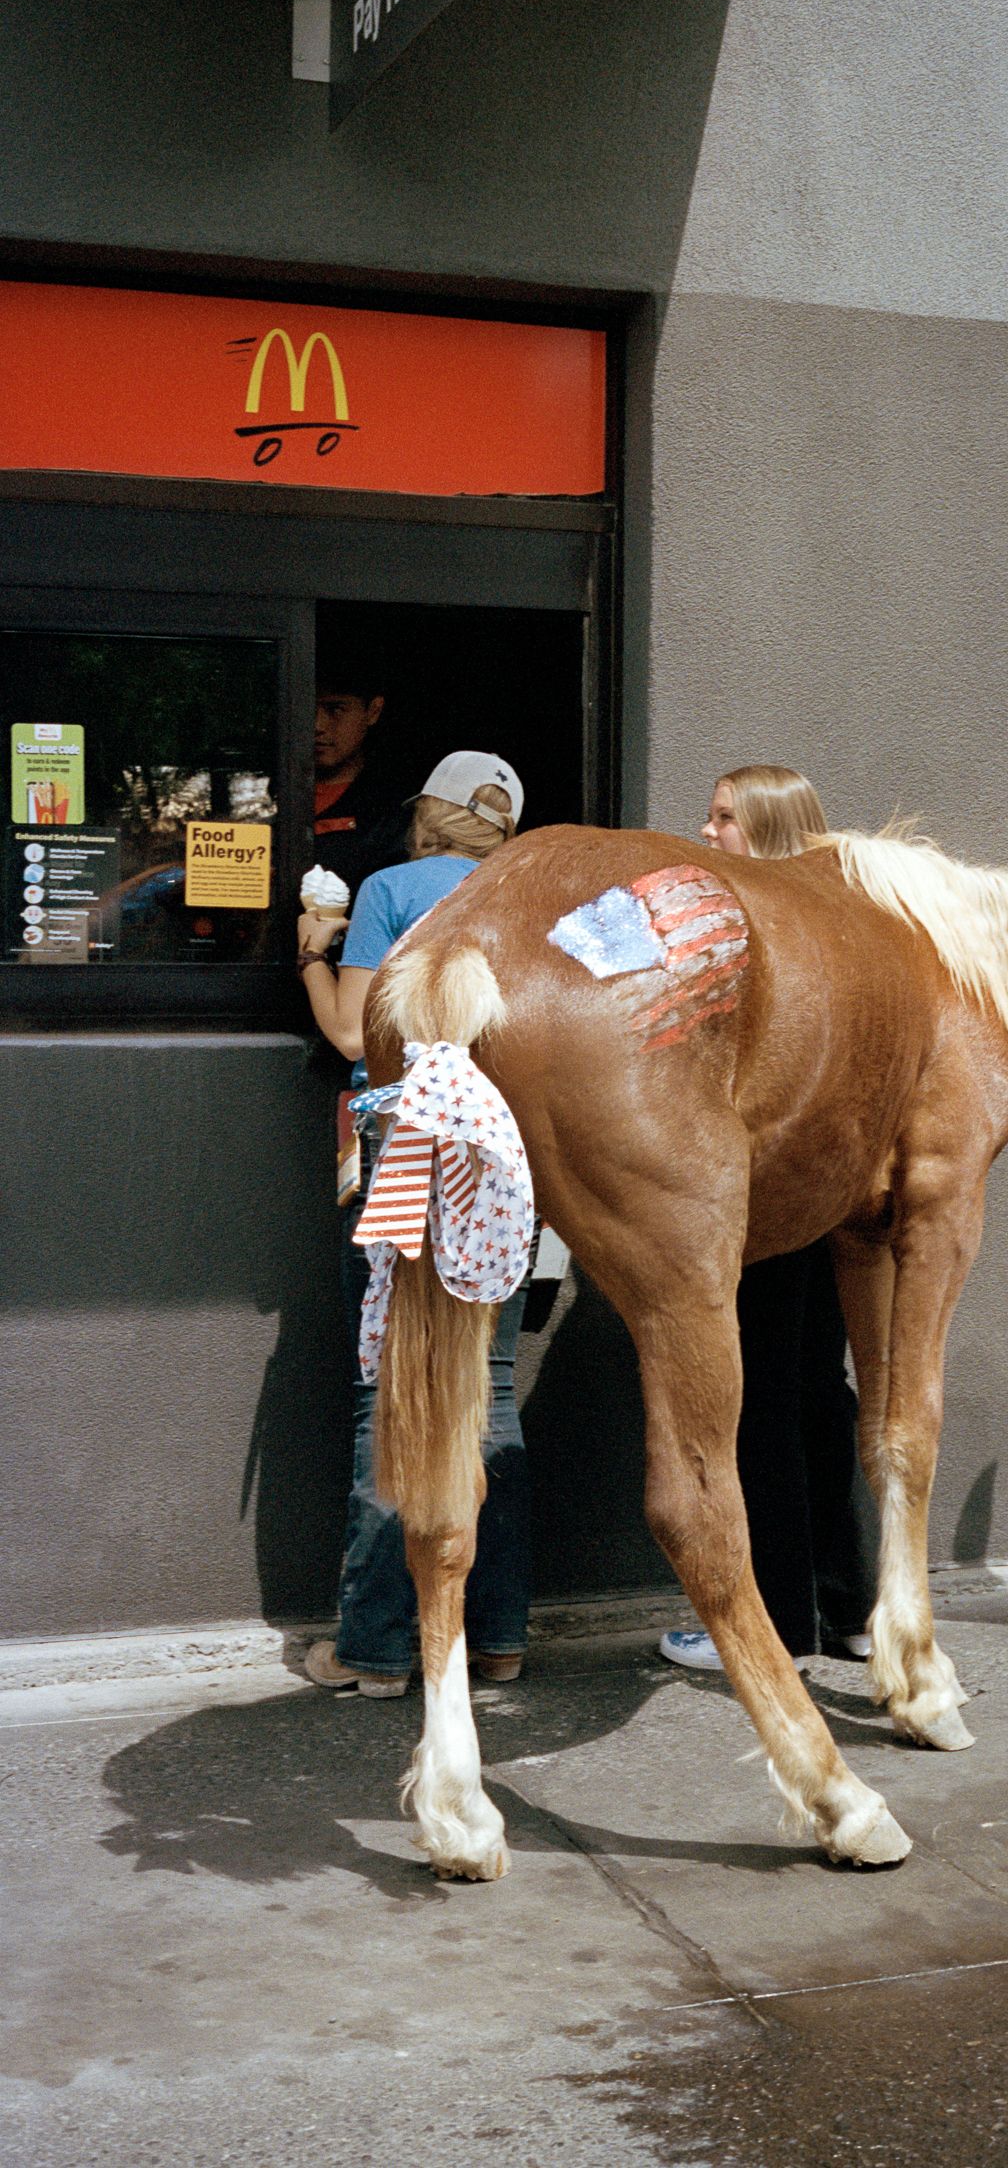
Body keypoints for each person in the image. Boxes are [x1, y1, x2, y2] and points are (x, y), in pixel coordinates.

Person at [297, 751, 532, 1697]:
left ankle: (378, 1650)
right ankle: (499, 1639)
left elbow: (356, 1035)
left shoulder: (391, 888)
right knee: (495, 1393)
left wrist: (315, 952)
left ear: (427, 813)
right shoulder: (529, 901)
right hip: (503, 1162)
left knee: (384, 1390)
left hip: (399, 1162)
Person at [659, 766, 880, 1674]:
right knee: (820, 1394)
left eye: (723, 820)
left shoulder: (752, 932)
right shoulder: (845, 926)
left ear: (768, 831)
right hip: (834, 1185)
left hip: (761, 1185)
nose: (705, 833)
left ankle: (779, 1623)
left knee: (763, 1402)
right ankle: (850, 1607)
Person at [312, 649, 408, 896]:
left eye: (335, 709)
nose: (317, 725)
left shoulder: (395, 809)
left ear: (373, 711)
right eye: (306, 707)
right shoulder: (264, 794)